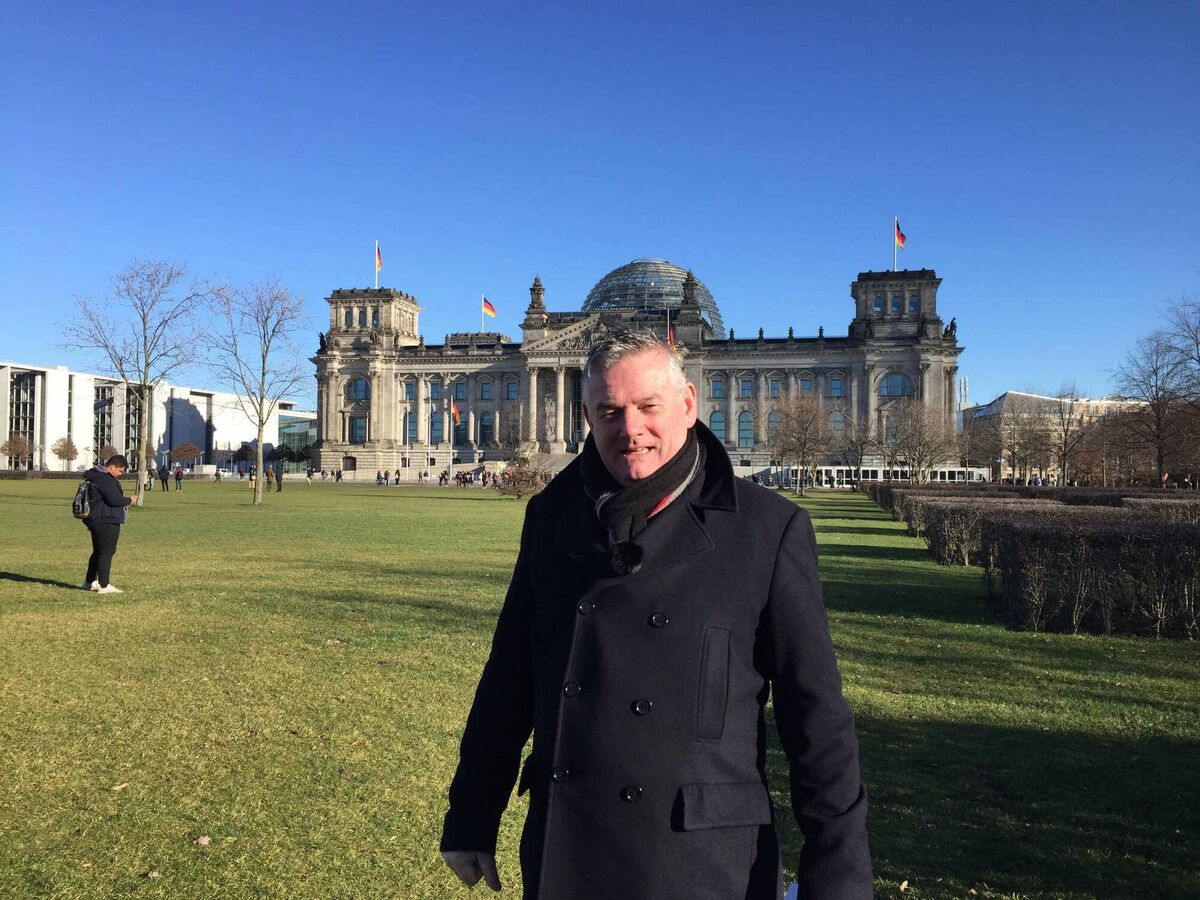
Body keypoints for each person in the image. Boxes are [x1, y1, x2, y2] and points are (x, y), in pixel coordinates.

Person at [440, 331, 871, 898]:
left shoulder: (767, 529)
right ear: (587, 415)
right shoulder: (551, 515)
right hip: (572, 848)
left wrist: (838, 880)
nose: (630, 430)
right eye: (610, 411)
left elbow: (816, 719)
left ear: (688, 404)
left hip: (702, 861)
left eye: (648, 406)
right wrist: (473, 810)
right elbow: (511, 673)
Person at [81, 454, 138, 595]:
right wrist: (129, 500)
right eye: (120, 471)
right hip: (106, 519)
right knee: (107, 551)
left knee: (98, 551)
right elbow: (114, 500)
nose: (120, 474)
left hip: (96, 518)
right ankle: (104, 585)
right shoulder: (105, 479)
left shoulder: (96, 476)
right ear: (112, 467)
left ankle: (89, 582)